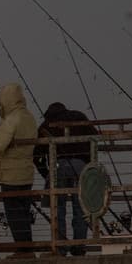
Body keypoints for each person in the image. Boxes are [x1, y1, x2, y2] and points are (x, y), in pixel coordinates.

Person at [0, 82, 39, 254]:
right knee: (23, 213)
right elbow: (12, 140)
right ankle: (27, 248)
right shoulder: (28, 116)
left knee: (14, 215)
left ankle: (23, 251)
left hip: (11, 175)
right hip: (26, 173)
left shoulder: (12, 119)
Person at [34, 101, 97, 255]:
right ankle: (79, 245)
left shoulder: (46, 125)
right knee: (81, 208)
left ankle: (60, 246)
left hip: (58, 167)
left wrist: (46, 174)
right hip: (81, 166)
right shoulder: (79, 117)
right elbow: (95, 138)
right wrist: (89, 164)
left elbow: (37, 156)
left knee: (58, 209)